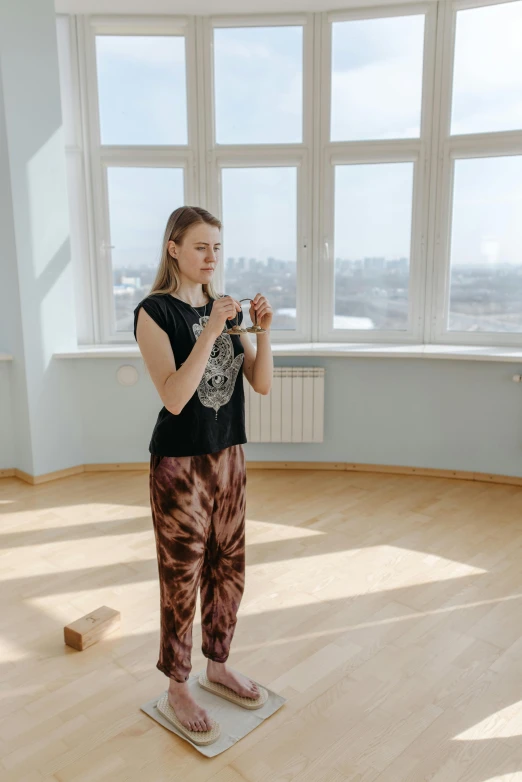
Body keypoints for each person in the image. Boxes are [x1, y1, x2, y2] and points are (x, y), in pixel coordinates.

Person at [133, 205, 273, 737]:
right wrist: (212, 329)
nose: (211, 257)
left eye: (217, 246)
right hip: (180, 466)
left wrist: (262, 331)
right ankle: (178, 686)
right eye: (199, 246)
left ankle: (218, 663)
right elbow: (173, 398)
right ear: (174, 248)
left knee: (229, 568)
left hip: (229, 456)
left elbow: (259, 383)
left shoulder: (224, 307)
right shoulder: (155, 313)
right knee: (182, 578)